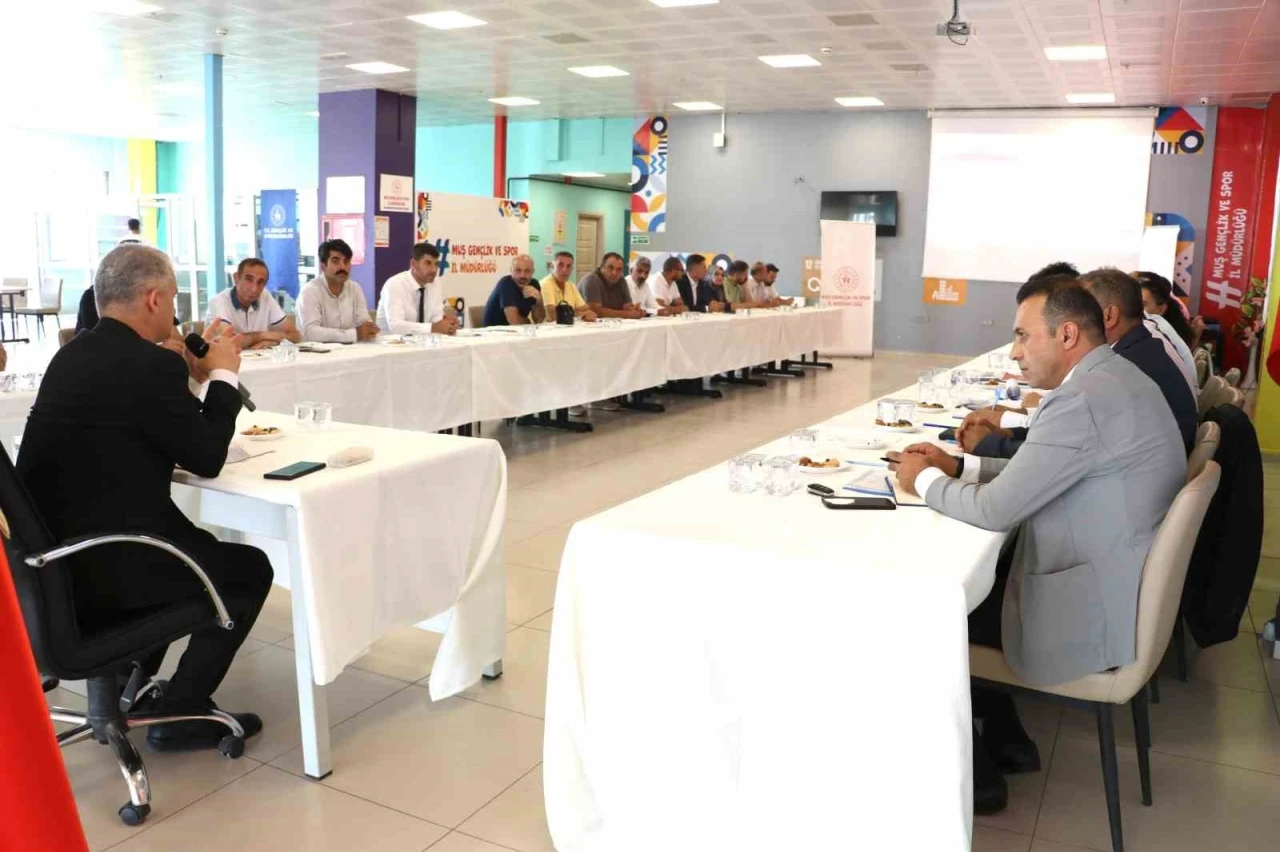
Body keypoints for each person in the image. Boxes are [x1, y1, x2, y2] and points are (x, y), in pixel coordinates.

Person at [889, 277, 1186, 815]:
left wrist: (922, 481)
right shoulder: (1116, 377)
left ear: (1067, 334)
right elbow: (1046, 469)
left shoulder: (1079, 400)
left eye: (1023, 336)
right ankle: (1007, 737)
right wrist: (959, 466)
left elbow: (996, 510)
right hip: (1113, 586)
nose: (1014, 352)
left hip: (1090, 612)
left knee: (924, 616)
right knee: (983, 584)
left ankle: (977, 776)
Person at [17, 244, 270, 752]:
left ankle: (130, 682)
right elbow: (206, 457)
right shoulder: (148, 366)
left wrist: (189, 380)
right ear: (154, 299)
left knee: (194, 547)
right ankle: (181, 710)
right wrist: (223, 375)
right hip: (113, 566)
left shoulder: (71, 356)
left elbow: (143, 423)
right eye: (172, 300)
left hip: (47, 572)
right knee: (248, 570)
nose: (174, 313)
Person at [961, 270, 1197, 456]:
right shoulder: (1138, 348)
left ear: (1108, 316)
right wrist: (1009, 431)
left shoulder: (1123, 368)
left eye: (1083, 308)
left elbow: (1061, 453)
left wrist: (988, 444)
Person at [206, 258, 301, 348]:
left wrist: (273, 342)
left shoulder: (265, 296)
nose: (254, 288)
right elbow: (228, 342)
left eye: (260, 282)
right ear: (236, 278)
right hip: (220, 359)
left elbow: (295, 335)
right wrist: (261, 336)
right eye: (249, 279)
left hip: (256, 358)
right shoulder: (218, 302)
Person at [296, 239, 377, 343]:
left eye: (346, 261)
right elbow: (311, 333)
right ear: (323, 266)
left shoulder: (355, 288)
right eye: (336, 261)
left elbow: (364, 322)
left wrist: (369, 329)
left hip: (350, 350)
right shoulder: (310, 291)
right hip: (317, 351)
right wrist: (354, 334)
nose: (343, 267)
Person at [376, 242, 458, 335]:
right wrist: (433, 328)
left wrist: (447, 325)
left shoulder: (435, 283)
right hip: (391, 342)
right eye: (428, 263)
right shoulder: (395, 284)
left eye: (436, 264)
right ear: (413, 264)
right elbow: (396, 326)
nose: (434, 270)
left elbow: (436, 318)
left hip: (422, 341)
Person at [1134, 270, 1202, 372]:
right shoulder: (1164, 321)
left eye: (1143, 305)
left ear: (1161, 309)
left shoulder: (1155, 328)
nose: (1136, 308)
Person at [482, 254, 545, 326]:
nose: (522, 275)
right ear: (511, 271)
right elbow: (514, 321)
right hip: (495, 331)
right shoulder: (506, 283)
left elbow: (539, 320)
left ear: (532, 272)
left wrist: (539, 301)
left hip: (518, 331)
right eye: (518, 270)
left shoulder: (534, 284)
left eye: (527, 271)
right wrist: (528, 322)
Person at [581, 253, 646, 319]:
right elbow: (595, 311)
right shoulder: (592, 279)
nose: (614, 273)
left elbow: (627, 307)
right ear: (602, 268)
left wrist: (635, 310)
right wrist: (628, 314)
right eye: (610, 268)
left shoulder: (621, 280)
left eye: (619, 269)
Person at [539, 251, 597, 323]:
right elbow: (552, 316)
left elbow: (586, 310)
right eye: (560, 265)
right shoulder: (545, 284)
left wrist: (569, 313)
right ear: (552, 267)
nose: (564, 270)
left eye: (568, 266)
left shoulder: (571, 286)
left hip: (567, 326)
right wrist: (578, 314)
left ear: (572, 269)